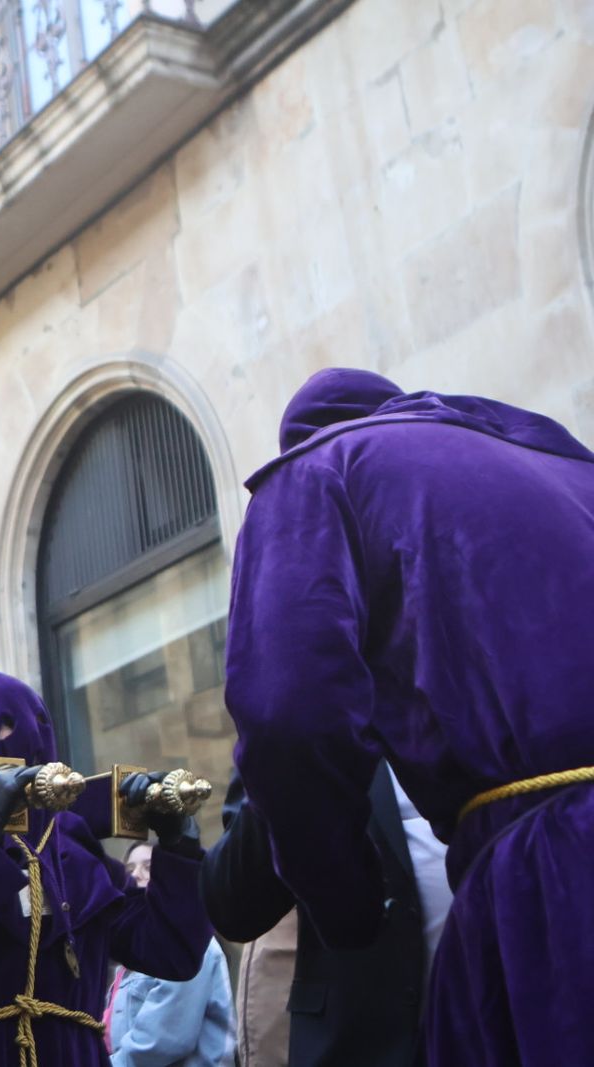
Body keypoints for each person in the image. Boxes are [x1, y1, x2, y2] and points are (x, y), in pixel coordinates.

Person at [223, 368, 594, 1064]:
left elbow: (287, 718)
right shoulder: (558, 458)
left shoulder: (316, 472)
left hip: (550, 880)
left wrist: (347, 903)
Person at [0, 664, 212, 1067]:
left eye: (40, 722)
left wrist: (178, 844)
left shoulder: (77, 852)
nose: (32, 738)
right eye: (5, 725)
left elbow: (170, 952)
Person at [201, 766, 443, 1066]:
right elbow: (236, 905)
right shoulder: (292, 728)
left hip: (492, 1013)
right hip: (357, 1037)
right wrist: (282, 752)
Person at [105, 841, 234, 1066]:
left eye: (149, 867)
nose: (136, 875)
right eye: (129, 869)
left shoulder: (188, 944)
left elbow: (161, 1043)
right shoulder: (125, 962)